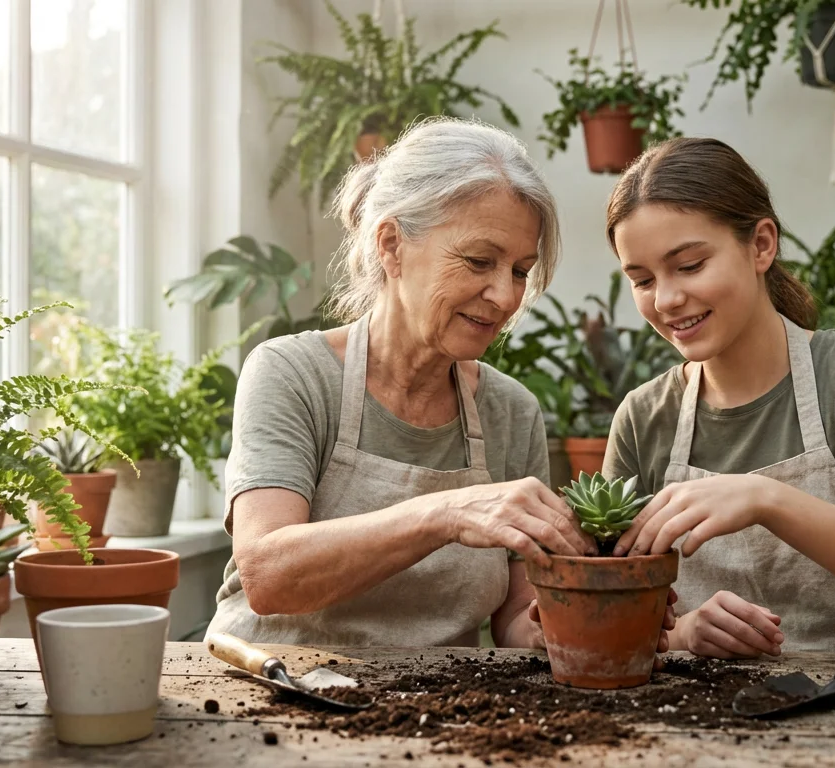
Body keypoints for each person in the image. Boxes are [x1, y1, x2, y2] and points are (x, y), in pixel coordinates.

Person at [206, 118, 597, 648]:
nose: (506, 297)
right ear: (391, 245)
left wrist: (570, 621)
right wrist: (447, 513)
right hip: (273, 694)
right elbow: (268, 575)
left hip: (435, 711)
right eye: (480, 260)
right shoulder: (293, 373)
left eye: (521, 270)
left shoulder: (511, 411)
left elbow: (514, 622)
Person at [601, 137, 835, 658]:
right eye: (641, 279)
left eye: (690, 265)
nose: (666, 299)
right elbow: (609, 611)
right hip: (694, 720)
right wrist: (680, 636)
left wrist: (766, 498)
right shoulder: (642, 419)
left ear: (761, 245)